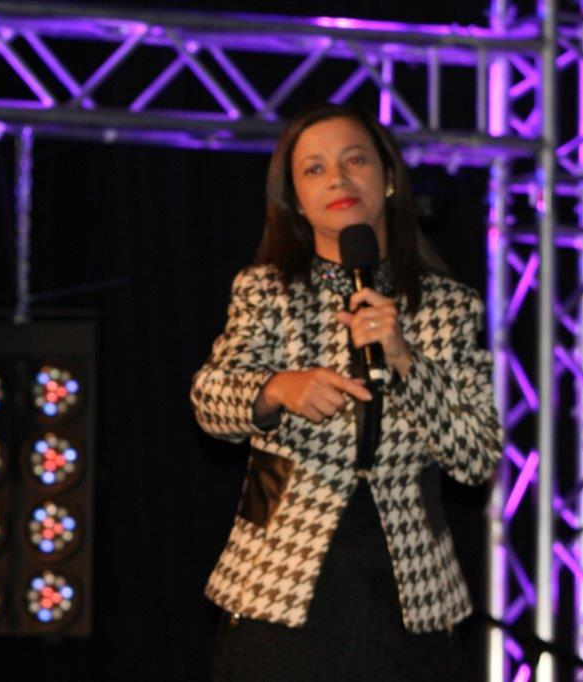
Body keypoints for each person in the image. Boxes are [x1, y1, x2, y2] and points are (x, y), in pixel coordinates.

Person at [191, 102, 502, 681]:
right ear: (296, 200)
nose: (337, 179)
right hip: (279, 597)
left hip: (410, 606)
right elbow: (210, 401)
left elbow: (475, 456)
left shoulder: (448, 307)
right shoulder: (269, 292)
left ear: (388, 179)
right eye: (314, 169)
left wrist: (406, 359)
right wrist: (277, 388)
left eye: (354, 160)